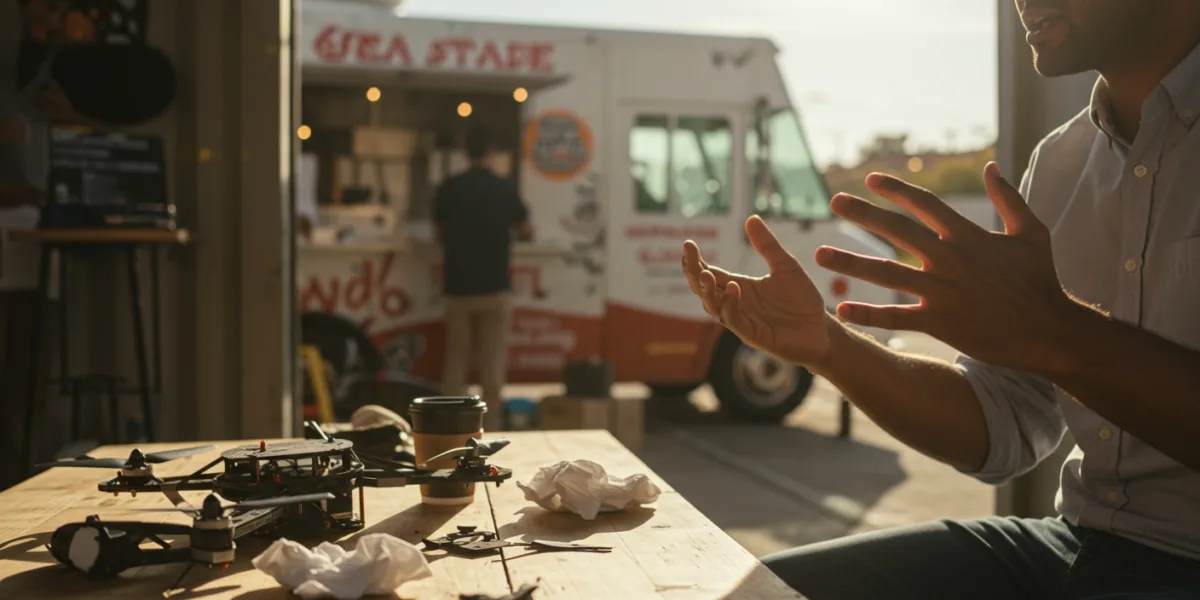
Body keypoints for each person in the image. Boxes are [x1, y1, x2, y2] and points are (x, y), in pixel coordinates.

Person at [682, 0, 1200, 597]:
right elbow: (1003, 423)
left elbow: (1052, 341)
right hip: (1080, 542)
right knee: (756, 592)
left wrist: (1056, 334)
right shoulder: (1061, 160)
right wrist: (828, 346)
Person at [433, 126, 532, 432]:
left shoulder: (450, 187)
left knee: (456, 362)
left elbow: (438, 232)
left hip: (458, 287)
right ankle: (491, 427)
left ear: (465, 151)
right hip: (494, 287)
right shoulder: (504, 188)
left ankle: (451, 428)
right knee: (492, 364)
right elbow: (526, 229)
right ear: (491, 153)